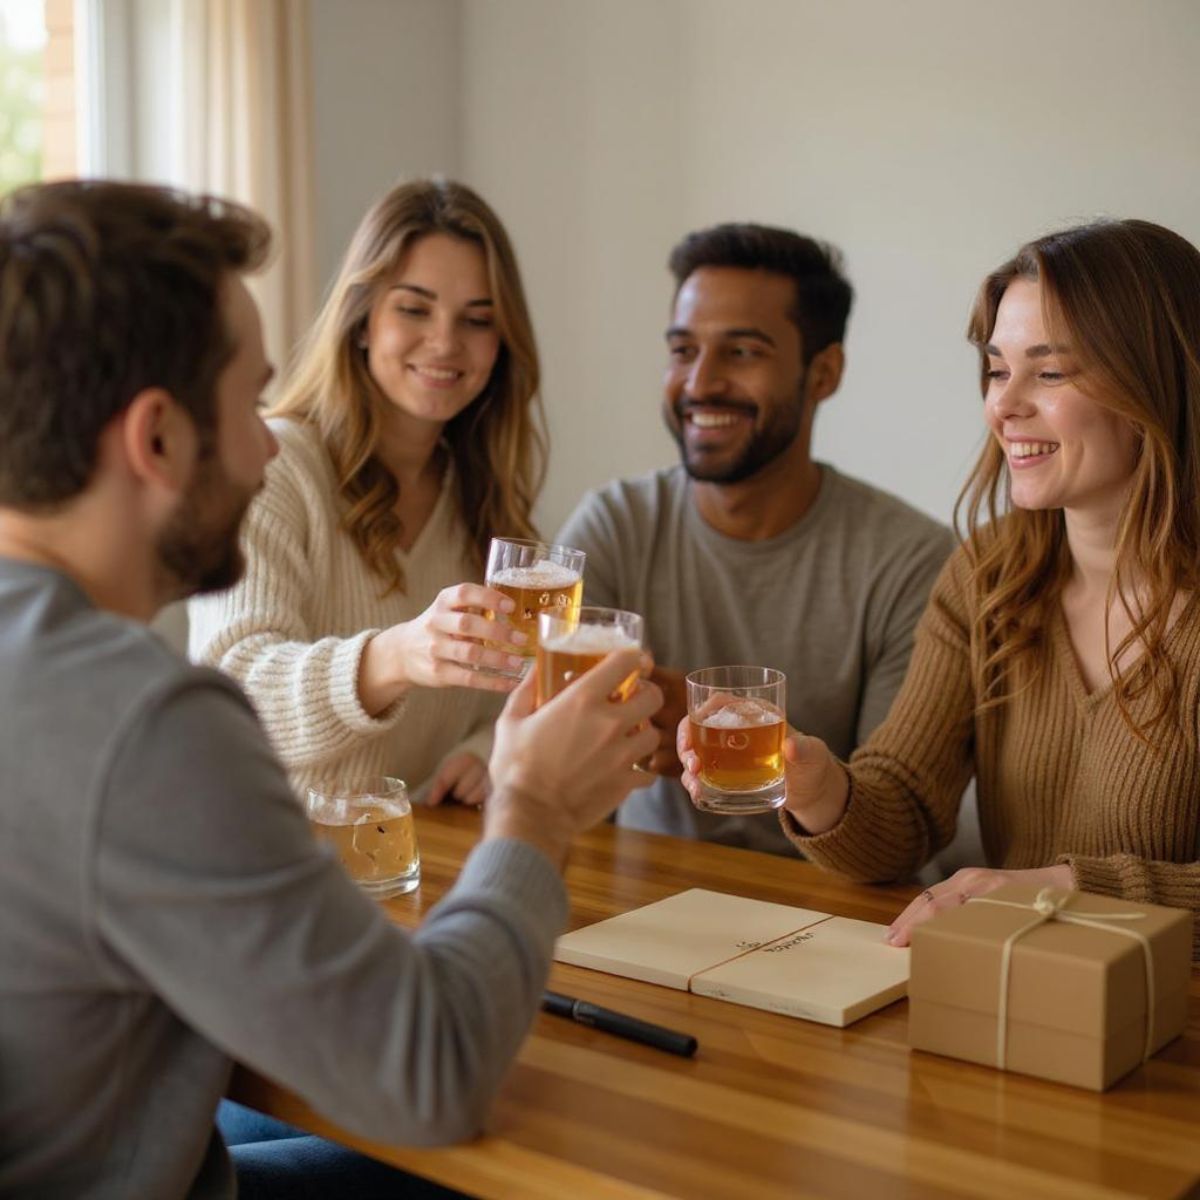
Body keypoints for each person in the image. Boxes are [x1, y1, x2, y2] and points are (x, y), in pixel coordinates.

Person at [0, 179, 661, 1198]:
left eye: (477, 319)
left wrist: (495, 759)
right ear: (158, 438)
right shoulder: (146, 724)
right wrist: (534, 808)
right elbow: (429, 1075)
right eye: (247, 401)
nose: (268, 443)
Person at [678, 219, 1200, 957]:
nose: (1004, 405)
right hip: (1019, 1006)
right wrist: (819, 787)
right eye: (996, 370)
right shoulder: (991, 575)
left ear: (1159, 379)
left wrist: (1064, 889)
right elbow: (902, 813)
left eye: (1049, 373)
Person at [556, 222, 953, 855]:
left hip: (833, 911)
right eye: (683, 350)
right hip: (643, 902)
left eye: (741, 352)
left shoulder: (913, 562)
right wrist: (603, 739)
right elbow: (543, 755)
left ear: (823, 373)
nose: (700, 382)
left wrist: (778, 760)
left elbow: (903, 824)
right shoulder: (614, 523)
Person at [189, 178, 547, 807]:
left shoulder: (480, 495)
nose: (445, 342)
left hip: (413, 865)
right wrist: (396, 656)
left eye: (478, 320)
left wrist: (487, 751)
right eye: (414, 308)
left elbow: (526, 687)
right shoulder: (272, 467)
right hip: (270, 864)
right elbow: (234, 694)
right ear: (361, 321)